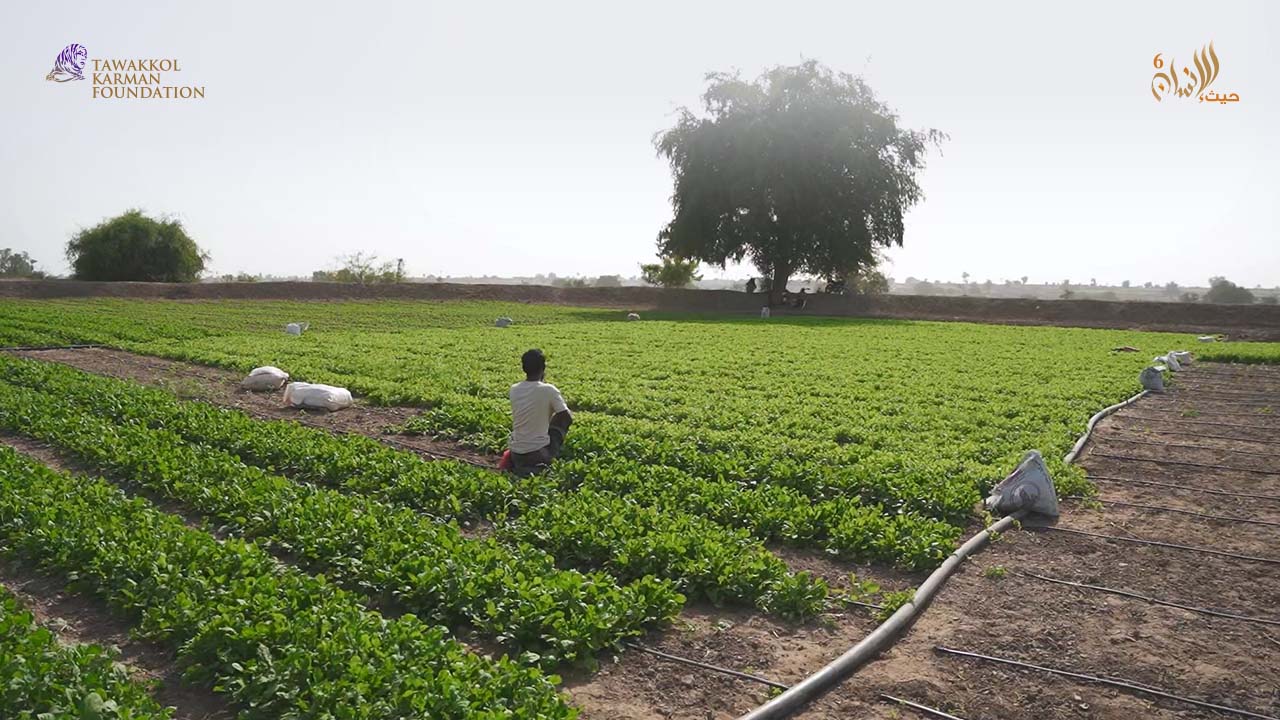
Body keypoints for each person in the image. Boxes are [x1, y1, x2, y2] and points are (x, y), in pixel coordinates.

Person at [502, 348, 572, 476]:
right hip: (537, 453)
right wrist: (551, 425)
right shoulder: (549, 390)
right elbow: (566, 416)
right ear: (543, 367)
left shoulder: (514, 389)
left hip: (516, 452)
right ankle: (547, 459)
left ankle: (518, 466)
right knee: (563, 419)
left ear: (523, 368)